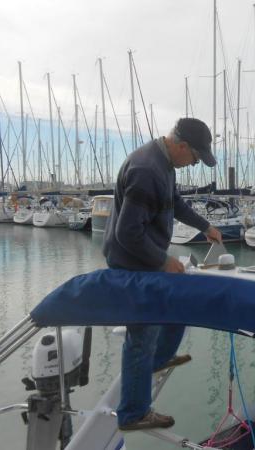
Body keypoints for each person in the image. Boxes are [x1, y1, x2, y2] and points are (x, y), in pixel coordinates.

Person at [103, 117, 222, 431]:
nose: (194, 164)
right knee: (141, 337)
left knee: (178, 305)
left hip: (147, 259)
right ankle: (133, 413)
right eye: (195, 158)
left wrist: (205, 226)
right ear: (182, 146)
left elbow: (175, 204)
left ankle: (159, 359)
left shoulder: (165, 164)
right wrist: (163, 261)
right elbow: (127, 233)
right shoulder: (146, 170)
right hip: (132, 263)